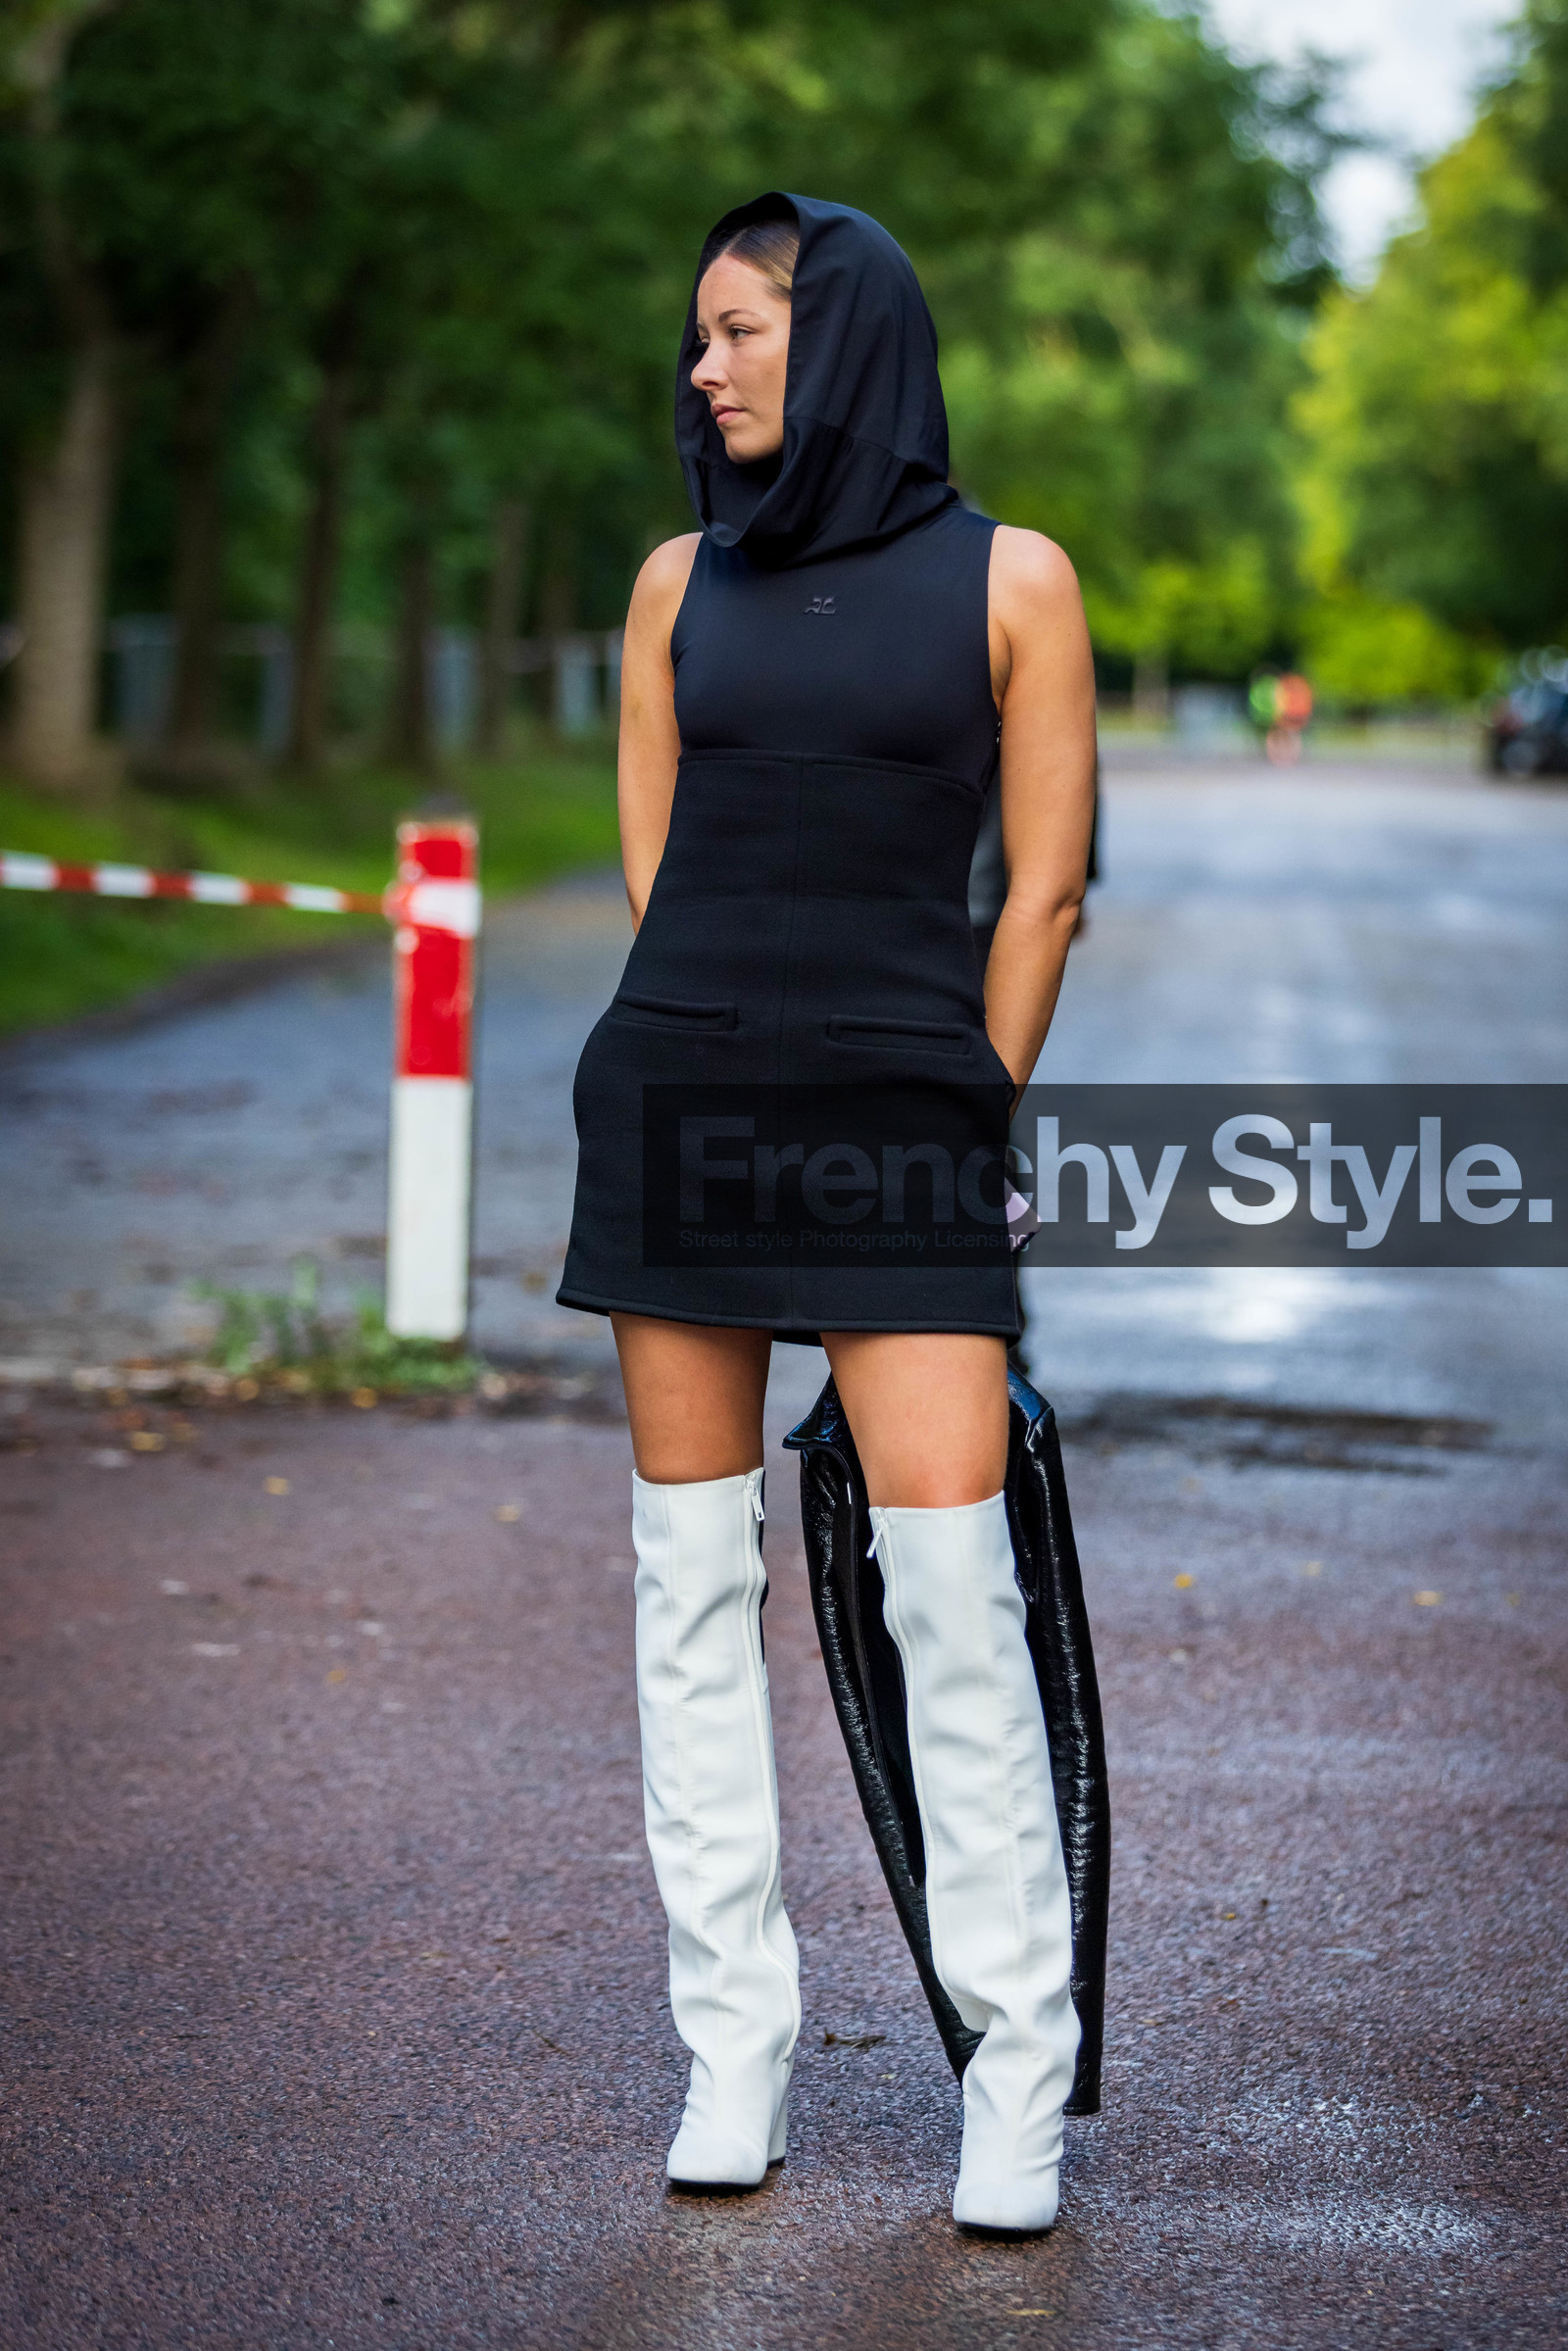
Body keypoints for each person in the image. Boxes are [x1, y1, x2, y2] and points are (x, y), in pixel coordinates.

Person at [557, 192, 1098, 2233]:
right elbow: (648, 851)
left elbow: (1038, 888)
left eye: (735, 330)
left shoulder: (1011, 578)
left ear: (843, 331)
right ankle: (736, 2050)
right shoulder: (668, 581)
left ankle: (1012, 2079)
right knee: (687, 1586)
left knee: (948, 1601)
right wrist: (715, 1043)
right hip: (684, 1094)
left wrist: (959, 1103)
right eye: (692, 338)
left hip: (903, 1116)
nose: (699, 370)